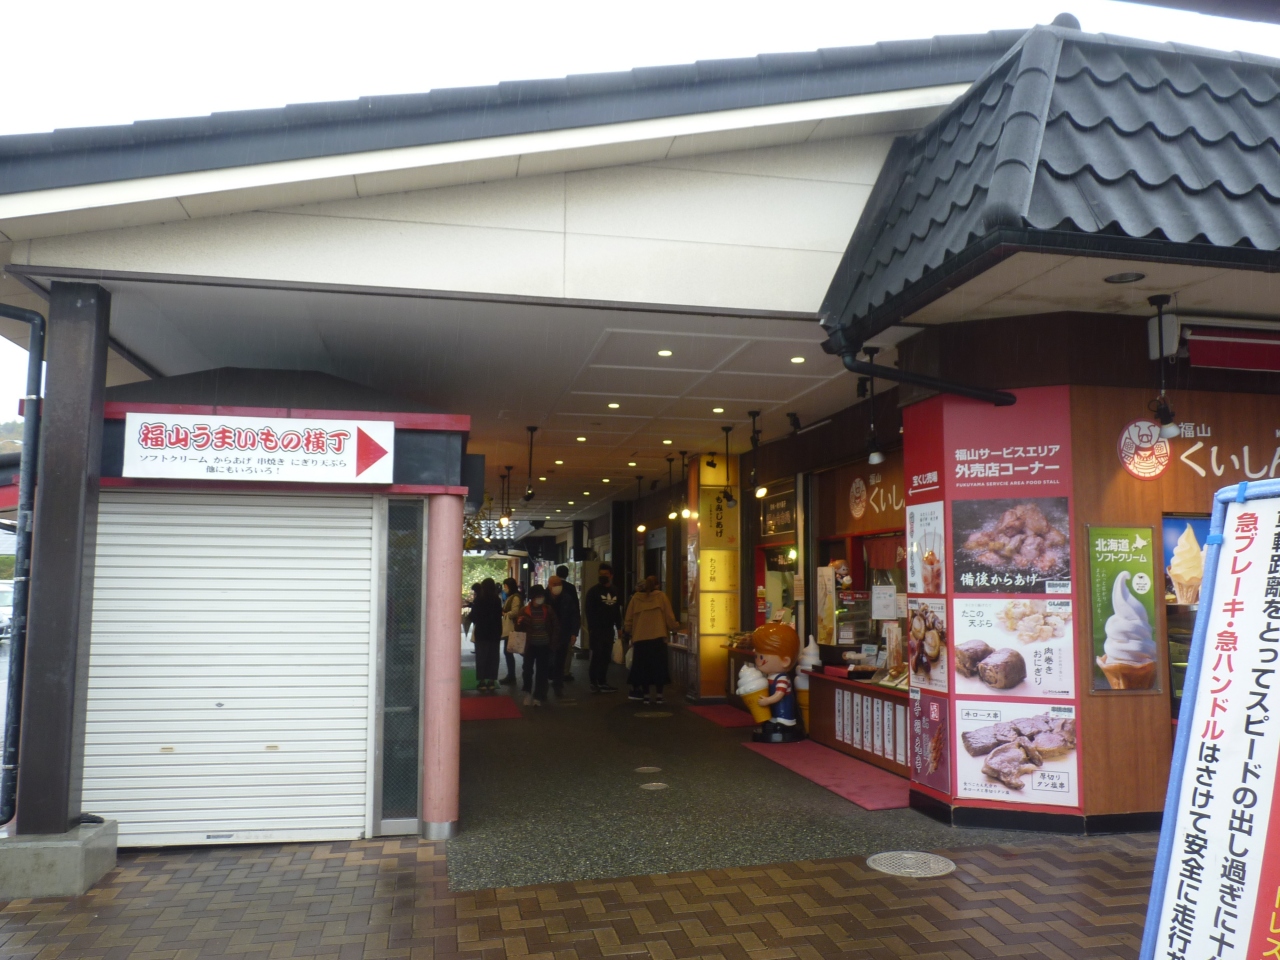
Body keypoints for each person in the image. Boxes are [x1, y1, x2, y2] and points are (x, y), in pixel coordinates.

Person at [623, 575, 678, 704]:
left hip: (640, 639)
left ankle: (646, 695)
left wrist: (628, 632)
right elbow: (669, 617)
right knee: (659, 668)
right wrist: (674, 629)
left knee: (644, 668)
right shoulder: (661, 597)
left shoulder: (635, 599)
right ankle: (659, 695)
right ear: (657, 585)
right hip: (658, 638)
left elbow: (628, 619)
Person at [516, 583, 559, 706]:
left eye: (542, 596)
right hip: (530, 646)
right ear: (532, 597)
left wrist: (553, 644)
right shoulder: (524, 611)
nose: (541, 598)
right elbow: (517, 629)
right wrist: (519, 623)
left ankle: (538, 695)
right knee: (527, 670)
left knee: (542, 672)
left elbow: (555, 626)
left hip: (544, 645)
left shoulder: (548, 609)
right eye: (538, 596)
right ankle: (528, 692)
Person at [583, 563, 623, 693]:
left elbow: (617, 610)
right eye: (601, 575)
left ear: (611, 576)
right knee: (597, 655)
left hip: (609, 629)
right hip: (597, 629)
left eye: (605, 574)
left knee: (606, 656)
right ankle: (593, 682)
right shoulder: (593, 592)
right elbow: (589, 611)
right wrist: (592, 628)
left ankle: (602, 681)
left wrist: (619, 627)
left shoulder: (615, 590)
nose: (603, 577)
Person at [470, 579, 504, 692]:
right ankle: (492, 681)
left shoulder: (479, 600)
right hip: (495, 632)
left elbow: (473, 616)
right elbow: (499, 615)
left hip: (482, 632)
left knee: (481, 657)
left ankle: (482, 682)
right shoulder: (497, 600)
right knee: (493, 657)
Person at [550, 565, 581, 685]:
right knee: (565, 652)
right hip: (565, 627)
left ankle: (554, 674)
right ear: (567, 574)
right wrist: (575, 630)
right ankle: (564, 673)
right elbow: (575, 610)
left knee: (555, 651)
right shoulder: (571, 588)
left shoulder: (549, 592)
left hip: (555, 629)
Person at [500, 578, 523, 685]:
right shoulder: (512, 597)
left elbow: (515, 612)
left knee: (508, 651)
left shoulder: (515, 597)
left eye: (505, 586)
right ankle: (511, 675)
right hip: (510, 628)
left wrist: (505, 614)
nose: (504, 588)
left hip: (513, 628)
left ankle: (511, 675)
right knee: (508, 651)